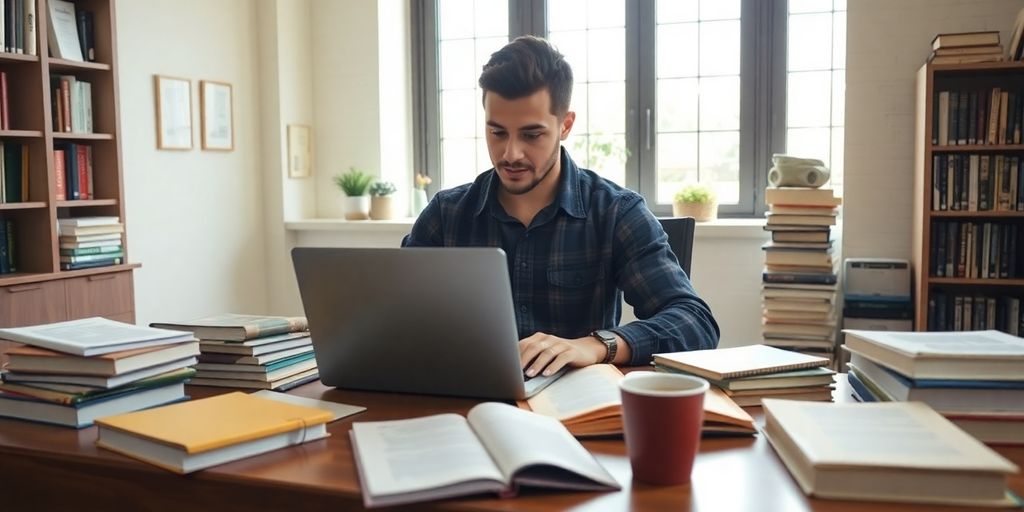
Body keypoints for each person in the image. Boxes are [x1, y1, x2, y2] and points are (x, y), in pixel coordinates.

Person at [403, 35, 719, 378]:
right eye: (497, 133)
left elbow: (695, 322)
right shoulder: (445, 214)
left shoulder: (616, 212)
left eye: (531, 135)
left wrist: (597, 345)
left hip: (575, 409)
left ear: (565, 125)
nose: (511, 154)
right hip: (466, 403)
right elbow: (393, 315)